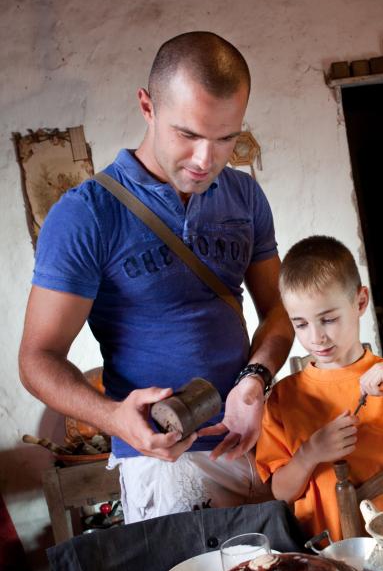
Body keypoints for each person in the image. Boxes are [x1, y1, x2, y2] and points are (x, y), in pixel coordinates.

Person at [19, 31, 294, 523]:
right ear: (147, 106)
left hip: (260, 440)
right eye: (187, 134)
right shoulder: (86, 215)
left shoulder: (245, 197)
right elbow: (36, 359)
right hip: (163, 462)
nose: (206, 160)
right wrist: (112, 416)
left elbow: (277, 313)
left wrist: (255, 380)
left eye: (226, 138)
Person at [255, 236, 383, 541]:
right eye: (300, 324)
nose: (316, 337)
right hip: (327, 555)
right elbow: (280, 494)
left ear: (360, 302)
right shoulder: (284, 397)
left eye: (328, 319)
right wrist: (310, 453)